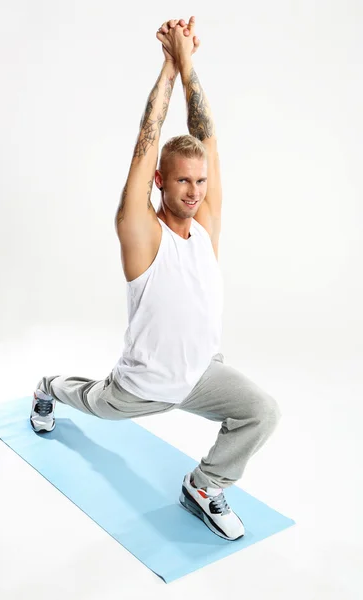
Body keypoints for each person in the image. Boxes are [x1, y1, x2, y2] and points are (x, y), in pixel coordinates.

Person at [30, 16, 281, 542]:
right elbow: (144, 150)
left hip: (199, 376)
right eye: (182, 181)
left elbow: (207, 139)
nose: (194, 191)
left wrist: (188, 63)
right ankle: (48, 386)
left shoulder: (207, 226)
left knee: (262, 411)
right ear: (161, 183)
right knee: (92, 402)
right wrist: (167, 70)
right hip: (141, 385)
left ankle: (205, 484)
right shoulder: (142, 233)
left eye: (200, 181)